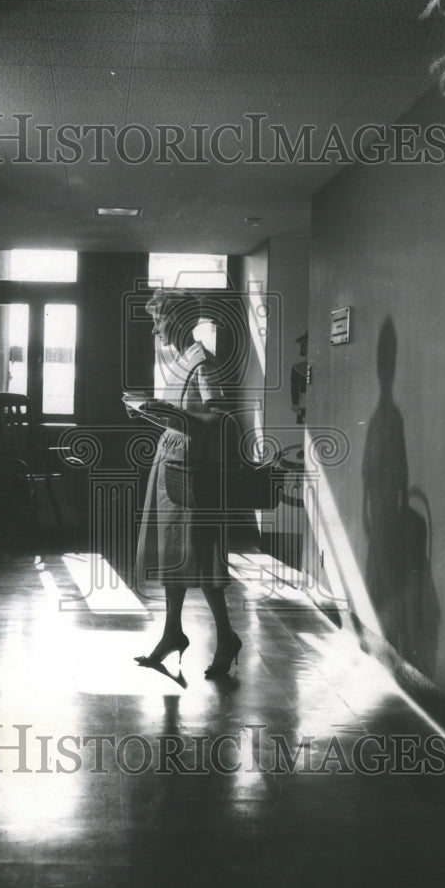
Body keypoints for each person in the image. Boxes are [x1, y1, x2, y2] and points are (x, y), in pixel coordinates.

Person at [124, 289, 242, 679]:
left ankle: (225, 637)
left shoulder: (204, 362)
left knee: (201, 555)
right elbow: (182, 416)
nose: (155, 329)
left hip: (195, 467)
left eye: (158, 321)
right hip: (171, 460)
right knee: (172, 553)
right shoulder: (178, 363)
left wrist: (172, 416)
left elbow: (222, 420)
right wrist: (153, 413)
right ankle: (172, 632)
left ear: (175, 319)